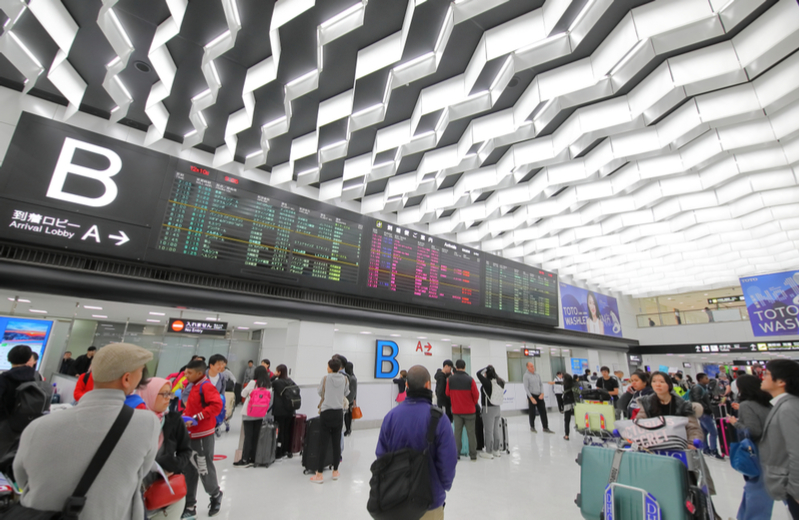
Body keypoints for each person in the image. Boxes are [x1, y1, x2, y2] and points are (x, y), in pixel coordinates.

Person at [13, 343, 159, 519]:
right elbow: (140, 472)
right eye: (141, 371)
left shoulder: (38, 426)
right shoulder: (146, 423)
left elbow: (21, 477)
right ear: (126, 378)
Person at [376, 365, 457, 519]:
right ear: (428, 385)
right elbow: (448, 460)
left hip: (396, 501)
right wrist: (442, 487)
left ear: (406, 385)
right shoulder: (439, 419)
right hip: (430, 502)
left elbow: (381, 456)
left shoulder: (391, 417)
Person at [138, 377, 192, 520]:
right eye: (164, 394)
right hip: (136, 497)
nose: (169, 398)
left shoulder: (173, 420)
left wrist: (173, 465)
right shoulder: (134, 422)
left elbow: (186, 451)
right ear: (149, 394)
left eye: (170, 394)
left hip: (166, 497)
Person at [726, 375, 774, 520]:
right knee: (753, 489)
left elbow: (753, 431)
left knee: (756, 491)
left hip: (757, 453)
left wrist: (735, 423)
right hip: (771, 452)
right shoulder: (767, 403)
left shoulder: (747, 405)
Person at [181, 359, 224, 518]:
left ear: (199, 373)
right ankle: (190, 505)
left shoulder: (206, 386)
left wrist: (198, 417)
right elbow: (191, 407)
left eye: (189, 373)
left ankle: (215, 494)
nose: (186, 376)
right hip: (190, 435)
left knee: (203, 468)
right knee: (189, 470)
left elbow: (216, 405)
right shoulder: (193, 386)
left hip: (202, 435)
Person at [758, 359, 799, 520]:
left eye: (767, 374)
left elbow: (797, 451)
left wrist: (797, 491)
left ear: (781, 381)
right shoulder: (784, 405)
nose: (762, 377)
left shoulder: (788, 408)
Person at [635, 371, 703, 445]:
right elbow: (639, 424)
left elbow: (693, 428)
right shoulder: (647, 403)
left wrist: (692, 442)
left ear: (669, 384)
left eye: (662, 382)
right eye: (654, 381)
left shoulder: (682, 405)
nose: (657, 385)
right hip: (655, 445)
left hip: (680, 445)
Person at [310, 358, 348, 483]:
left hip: (326, 412)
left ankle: (319, 473)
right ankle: (335, 471)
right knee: (336, 443)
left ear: (330, 368)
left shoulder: (325, 379)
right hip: (338, 413)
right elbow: (346, 392)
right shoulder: (345, 379)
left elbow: (320, 392)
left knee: (323, 443)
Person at [234, 366, 270, 468]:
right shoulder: (268, 385)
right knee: (256, 437)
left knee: (248, 436)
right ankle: (254, 458)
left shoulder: (253, 383)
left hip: (249, 413)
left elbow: (243, 394)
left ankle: (245, 458)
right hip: (260, 414)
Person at [446, 359, 480, 460]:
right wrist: (472, 403)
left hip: (456, 411)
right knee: (471, 434)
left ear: (456, 367)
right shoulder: (470, 379)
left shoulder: (450, 380)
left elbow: (447, 393)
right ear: (465, 367)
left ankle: (456, 454)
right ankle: (473, 455)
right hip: (470, 411)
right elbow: (476, 395)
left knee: (457, 433)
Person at [476, 365, 504, 459]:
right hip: (497, 408)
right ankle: (496, 450)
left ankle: (488, 451)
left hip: (488, 409)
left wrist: (485, 368)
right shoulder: (500, 382)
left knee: (488, 431)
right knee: (496, 430)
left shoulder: (487, 382)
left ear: (486, 373)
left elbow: (477, 373)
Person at [692, 373, 723, 459]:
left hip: (704, 412)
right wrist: (706, 409)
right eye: (706, 378)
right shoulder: (697, 388)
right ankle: (714, 450)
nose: (708, 379)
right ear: (700, 379)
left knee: (705, 431)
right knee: (713, 432)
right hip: (703, 413)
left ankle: (705, 449)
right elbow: (697, 400)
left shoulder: (702, 388)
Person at [271, 364, 297, 459]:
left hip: (279, 411)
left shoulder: (277, 383)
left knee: (280, 431)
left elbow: (269, 383)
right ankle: (287, 450)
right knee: (287, 430)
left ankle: (279, 451)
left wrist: (274, 376)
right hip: (290, 410)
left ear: (279, 372)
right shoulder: (291, 381)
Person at [523, 362, 553, 434]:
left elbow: (541, 384)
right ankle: (532, 426)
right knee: (532, 412)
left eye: (533, 366)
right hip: (532, 395)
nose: (533, 367)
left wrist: (542, 393)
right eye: (531, 366)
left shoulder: (537, 375)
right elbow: (526, 388)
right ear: (527, 367)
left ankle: (545, 427)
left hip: (539, 395)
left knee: (543, 411)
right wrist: (531, 398)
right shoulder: (526, 376)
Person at [562, 374, 580, 440]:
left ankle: (566, 435)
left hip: (567, 403)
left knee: (567, 420)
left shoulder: (565, 384)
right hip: (574, 403)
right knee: (578, 417)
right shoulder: (574, 384)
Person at [344, 362, 358, 436]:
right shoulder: (353, 377)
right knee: (349, 414)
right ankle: (349, 429)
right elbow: (355, 390)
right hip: (351, 398)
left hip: (347, 398)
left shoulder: (349, 378)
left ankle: (347, 429)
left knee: (347, 415)